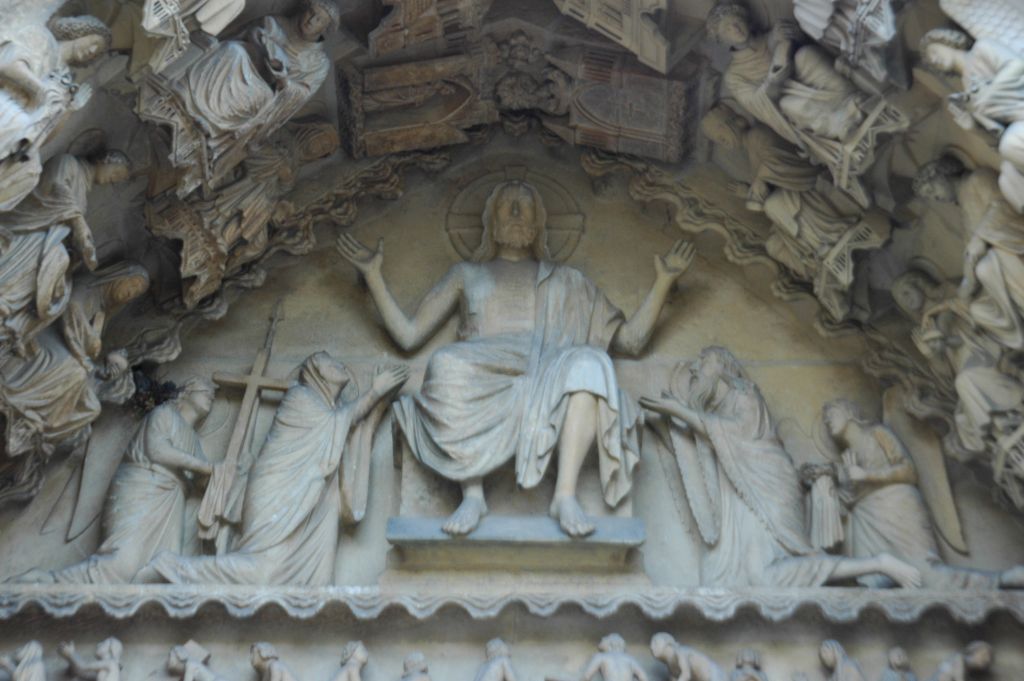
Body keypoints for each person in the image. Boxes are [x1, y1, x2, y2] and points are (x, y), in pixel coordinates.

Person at [338, 180, 695, 536]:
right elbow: (408, 336)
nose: (514, 213)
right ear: (492, 221)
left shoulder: (567, 281)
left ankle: (565, 495)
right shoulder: (467, 274)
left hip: (550, 366)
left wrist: (663, 282)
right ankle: (473, 495)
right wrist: (373, 277)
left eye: (524, 206)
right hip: (480, 365)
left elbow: (630, 342)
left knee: (590, 364)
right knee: (445, 363)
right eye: (506, 206)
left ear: (538, 223)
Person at [640, 347, 922, 588]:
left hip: (768, 490)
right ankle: (873, 565)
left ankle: (878, 564)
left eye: (704, 361)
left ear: (721, 366)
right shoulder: (717, 411)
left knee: (767, 577)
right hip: (744, 500)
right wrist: (670, 421)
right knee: (735, 580)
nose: (696, 368)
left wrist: (678, 411)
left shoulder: (745, 394)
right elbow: (707, 446)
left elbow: (732, 433)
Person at [150, 355, 408, 585]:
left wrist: (380, 401)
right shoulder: (300, 397)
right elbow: (339, 423)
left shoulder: (332, 414)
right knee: (262, 570)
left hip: (311, 498)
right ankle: (173, 568)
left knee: (316, 584)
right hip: (277, 490)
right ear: (316, 373)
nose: (339, 365)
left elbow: (349, 430)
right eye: (329, 362)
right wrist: (375, 391)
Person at [9, 378, 216, 583]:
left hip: (171, 502)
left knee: (159, 571)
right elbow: (157, 450)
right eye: (206, 391)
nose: (211, 396)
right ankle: (51, 582)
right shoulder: (164, 414)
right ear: (186, 392)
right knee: (122, 563)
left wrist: (222, 474)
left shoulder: (193, 441)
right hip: (144, 487)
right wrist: (205, 467)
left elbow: (203, 479)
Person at [822, 399, 1024, 588]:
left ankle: (999, 580)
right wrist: (831, 487)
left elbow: (908, 471)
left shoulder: (877, 433)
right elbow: (852, 497)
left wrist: (867, 475)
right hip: (866, 522)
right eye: (825, 418)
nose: (828, 420)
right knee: (871, 586)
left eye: (832, 414)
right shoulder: (847, 457)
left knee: (927, 574)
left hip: (896, 507)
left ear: (849, 413)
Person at [0, 151, 131, 356]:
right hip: (30, 228)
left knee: (62, 286)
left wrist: (82, 249)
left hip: (49, 242)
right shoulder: (68, 163)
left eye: (116, 180)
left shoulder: (84, 195)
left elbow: (67, 227)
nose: (111, 181)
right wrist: (78, 223)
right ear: (105, 160)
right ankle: (7, 302)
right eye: (114, 174)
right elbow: (54, 187)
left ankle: (15, 322)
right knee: (51, 257)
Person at [174, 0, 338, 159]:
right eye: (311, 13)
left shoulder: (318, 63)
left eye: (319, 20)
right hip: (246, 60)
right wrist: (258, 38)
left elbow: (302, 95)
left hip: (268, 88)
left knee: (261, 95)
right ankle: (185, 95)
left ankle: (211, 126)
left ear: (325, 28)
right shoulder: (276, 23)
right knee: (233, 51)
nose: (311, 21)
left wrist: (284, 80)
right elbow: (240, 34)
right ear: (304, 9)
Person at [0, 14, 111, 211]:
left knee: (31, 171)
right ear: (79, 30)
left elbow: (44, 136)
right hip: (7, 101)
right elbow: (7, 63)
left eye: (96, 54)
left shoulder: (67, 83)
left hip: (23, 129)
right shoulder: (42, 38)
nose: (92, 51)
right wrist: (38, 90)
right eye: (93, 42)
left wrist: (70, 108)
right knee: (18, 124)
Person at [920, 29, 1024, 212]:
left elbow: (1017, 65)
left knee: (1011, 143)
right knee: (1007, 178)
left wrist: (986, 95)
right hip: (1014, 130)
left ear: (947, 40)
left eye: (934, 52)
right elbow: (997, 140)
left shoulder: (982, 49)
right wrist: (974, 127)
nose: (934, 60)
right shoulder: (967, 90)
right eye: (931, 62)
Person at [650, 633, 725, 681]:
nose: (652, 647)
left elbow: (686, 674)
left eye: (655, 642)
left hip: (713, 674)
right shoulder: (670, 666)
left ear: (667, 643)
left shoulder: (680, 652)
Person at [581, 635, 647, 681]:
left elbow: (586, 676)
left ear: (611, 644)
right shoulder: (630, 658)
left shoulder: (601, 656)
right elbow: (643, 678)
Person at [57, 638, 122, 681]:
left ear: (110, 650)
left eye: (103, 643)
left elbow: (83, 666)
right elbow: (82, 673)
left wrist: (71, 653)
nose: (99, 644)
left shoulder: (110, 663)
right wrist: (70, 658)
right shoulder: (103, 670)